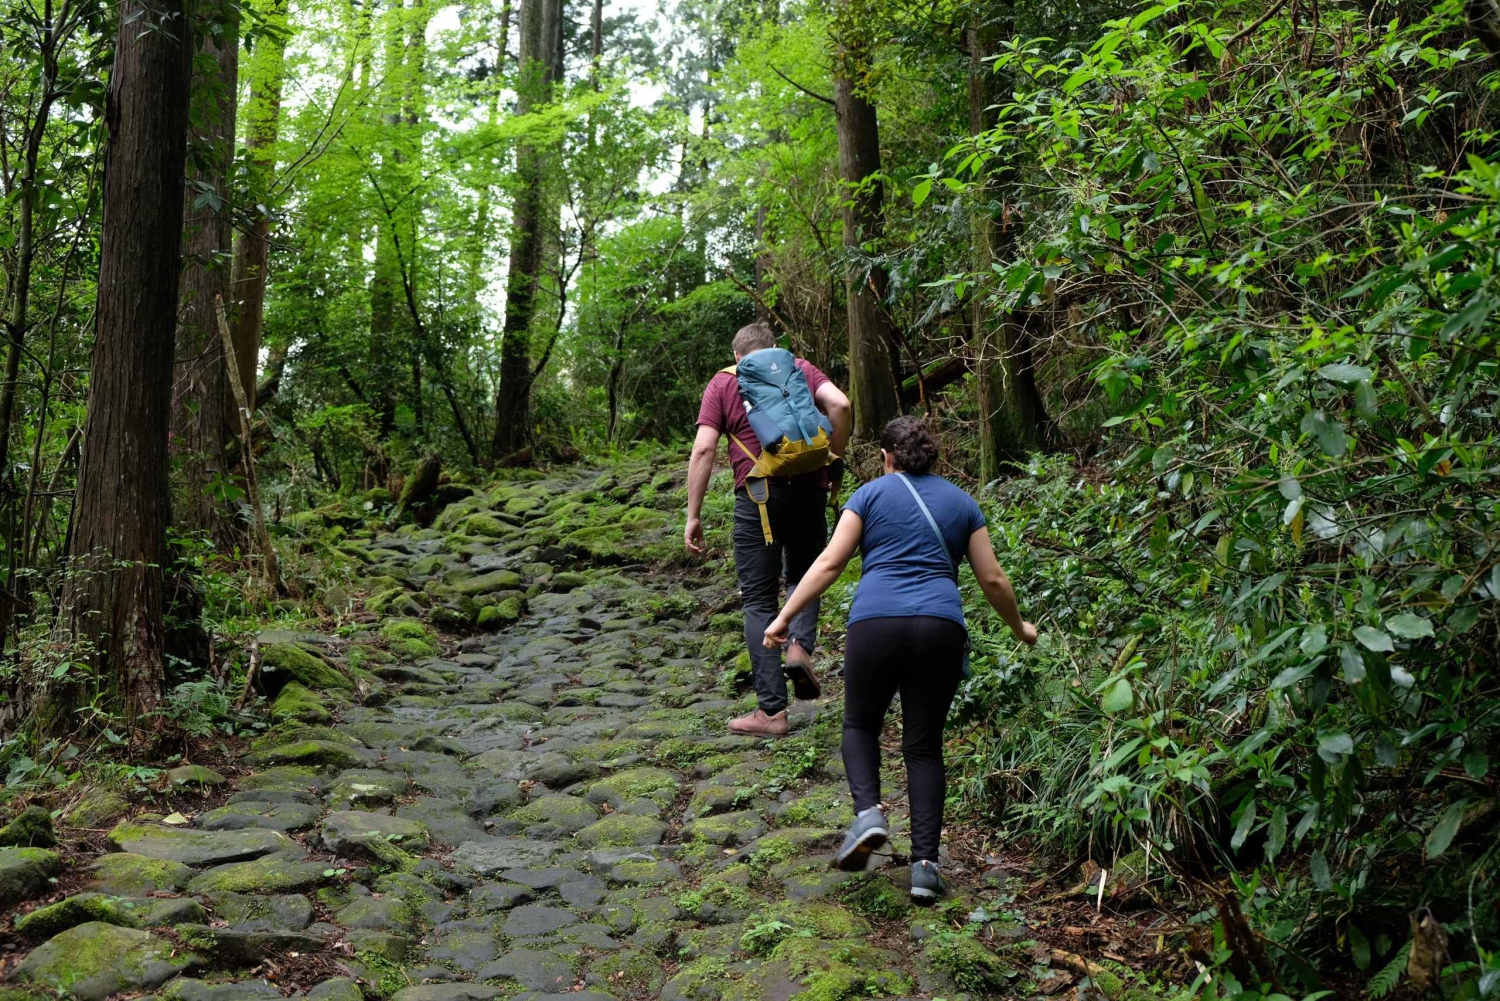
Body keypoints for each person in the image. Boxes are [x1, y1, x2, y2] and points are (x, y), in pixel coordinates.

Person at [763, 415, 1037, 901]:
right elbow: (992, 579)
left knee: (860, 726)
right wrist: (1020, 627)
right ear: (934, 457)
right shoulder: (962, 502)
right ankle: (926, 867)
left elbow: (830, 561)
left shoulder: (868, 495)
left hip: (876, 624)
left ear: (886, 457)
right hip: (940, 628)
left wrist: (785, 617)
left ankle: (869, 814)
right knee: (924, 747)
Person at [686, 321, 851, 737]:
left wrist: (694, 514)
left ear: (737, 356)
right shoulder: (799, 367)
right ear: (775, 348)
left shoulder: (725, 382)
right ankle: (799, 647)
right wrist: (834, 459)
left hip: (759, 497)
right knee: (804, 576)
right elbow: (841, 406)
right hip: (809, 490)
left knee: (759, 599)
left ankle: (772, 713)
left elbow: (705, 447)